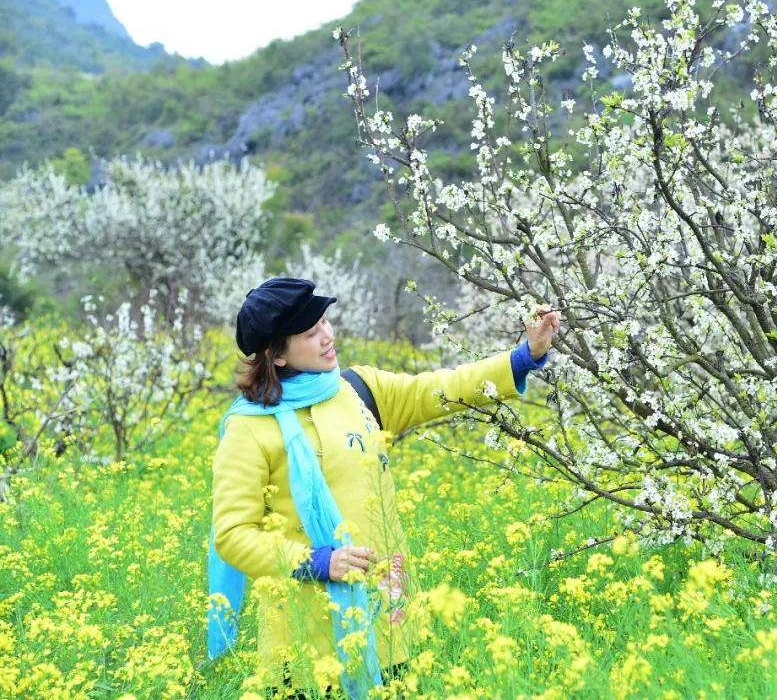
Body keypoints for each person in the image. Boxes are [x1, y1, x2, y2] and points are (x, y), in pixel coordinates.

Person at [207, 277, 560, 699]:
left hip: (388, 623)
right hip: (304, 644)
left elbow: (440, 389)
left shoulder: (357, 389)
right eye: (309, 332)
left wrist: (525, 356)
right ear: (276, 356)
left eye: (325, 322)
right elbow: (231, 535)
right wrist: (314, 561)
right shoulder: (249, 428)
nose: (327, 336)